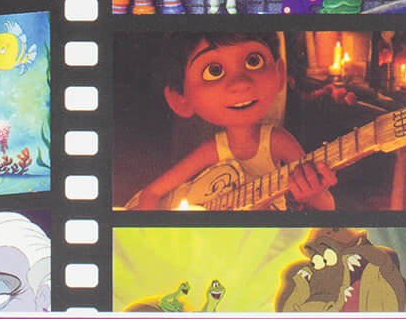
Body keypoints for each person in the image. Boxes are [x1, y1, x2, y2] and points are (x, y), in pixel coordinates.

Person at [122, 35, 336, 212]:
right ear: (181, 100)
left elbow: (326, 206)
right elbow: (152, 192)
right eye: (214, 71)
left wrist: (314, 192)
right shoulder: (213, 149)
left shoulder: (277, 141)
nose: (240, 83)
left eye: (254, 61)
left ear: (280, 74)